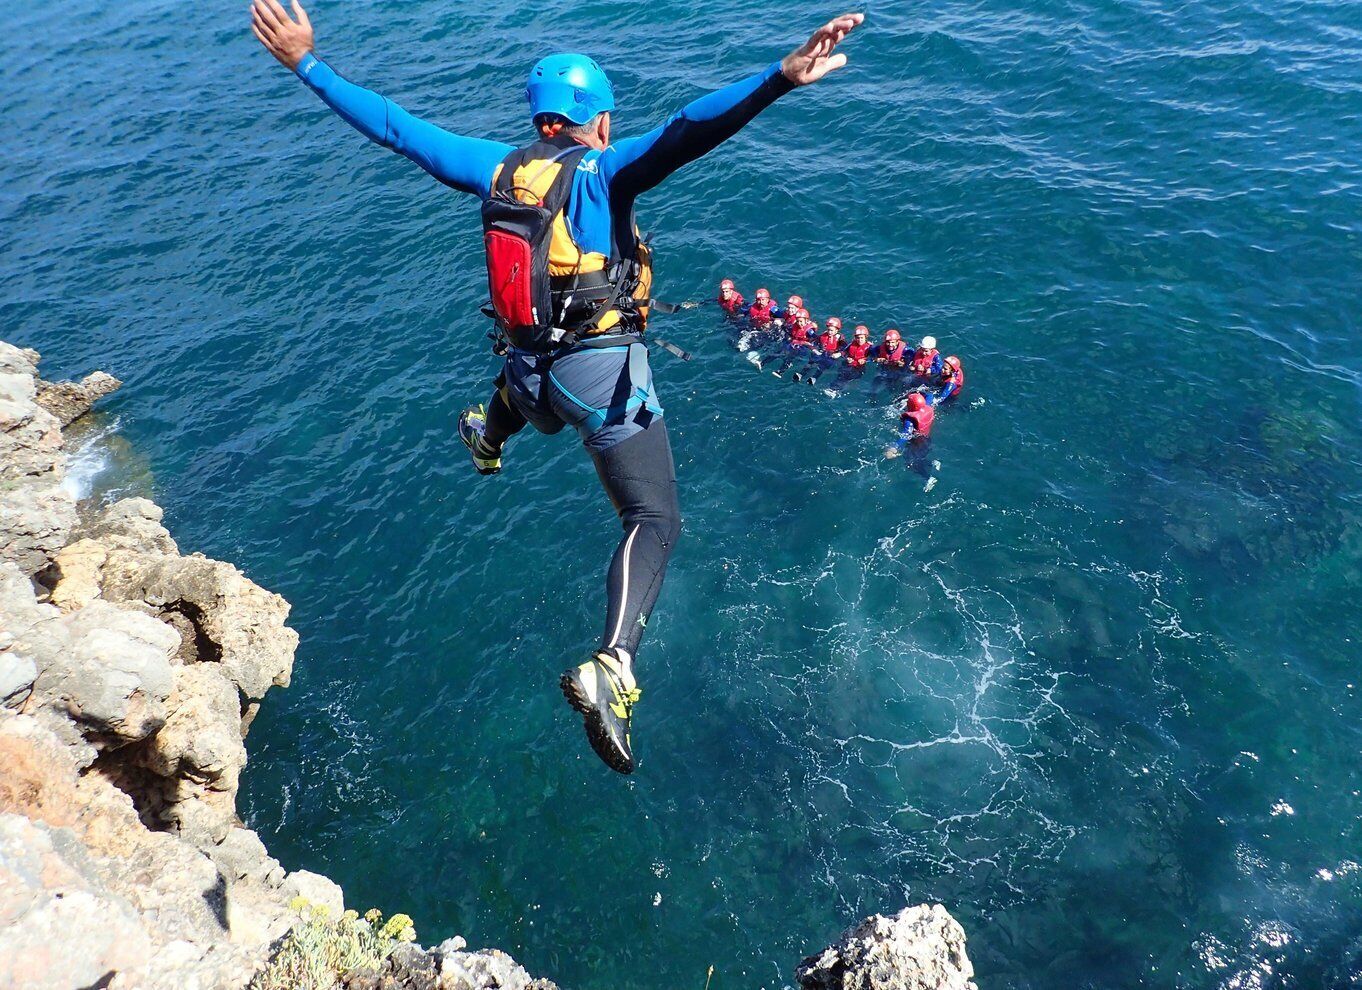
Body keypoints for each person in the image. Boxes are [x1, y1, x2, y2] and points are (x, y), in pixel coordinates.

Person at [250, 0, 865, 774]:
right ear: (597, 122)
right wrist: (778, 77)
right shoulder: (603, 172)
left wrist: (307, 62)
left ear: (540, 119)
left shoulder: (494, 168)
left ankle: (486, 432)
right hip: (598, 378)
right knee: (654, 517)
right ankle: (613, 664)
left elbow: (396, 127)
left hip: (528, 372)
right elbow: (685, 131)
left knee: (525, 405)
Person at [794, 316, 845, 384]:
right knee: (811, 361)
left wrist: (839, 354)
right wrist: (813, 348)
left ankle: (815, 377)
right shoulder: (823, 335)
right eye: (828, 330)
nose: (829, 332)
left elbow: (845, 349)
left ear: (837, 330)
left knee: (823, 366)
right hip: (821, 351)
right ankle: (801, 374)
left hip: (831, 355)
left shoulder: (840, 339)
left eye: (831, 330)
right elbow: (816, 341)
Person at [772, 307, 816, 377]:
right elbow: (789, 332)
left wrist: (810, 346)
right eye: (798, 321)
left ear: (806, 320)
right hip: (795, 342)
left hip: (803, 347)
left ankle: (781, 371)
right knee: (782, 350)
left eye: (801, 321)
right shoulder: (795, 326)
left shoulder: (809, 331)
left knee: (792, 355)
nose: (799, 323)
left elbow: (815, 339)